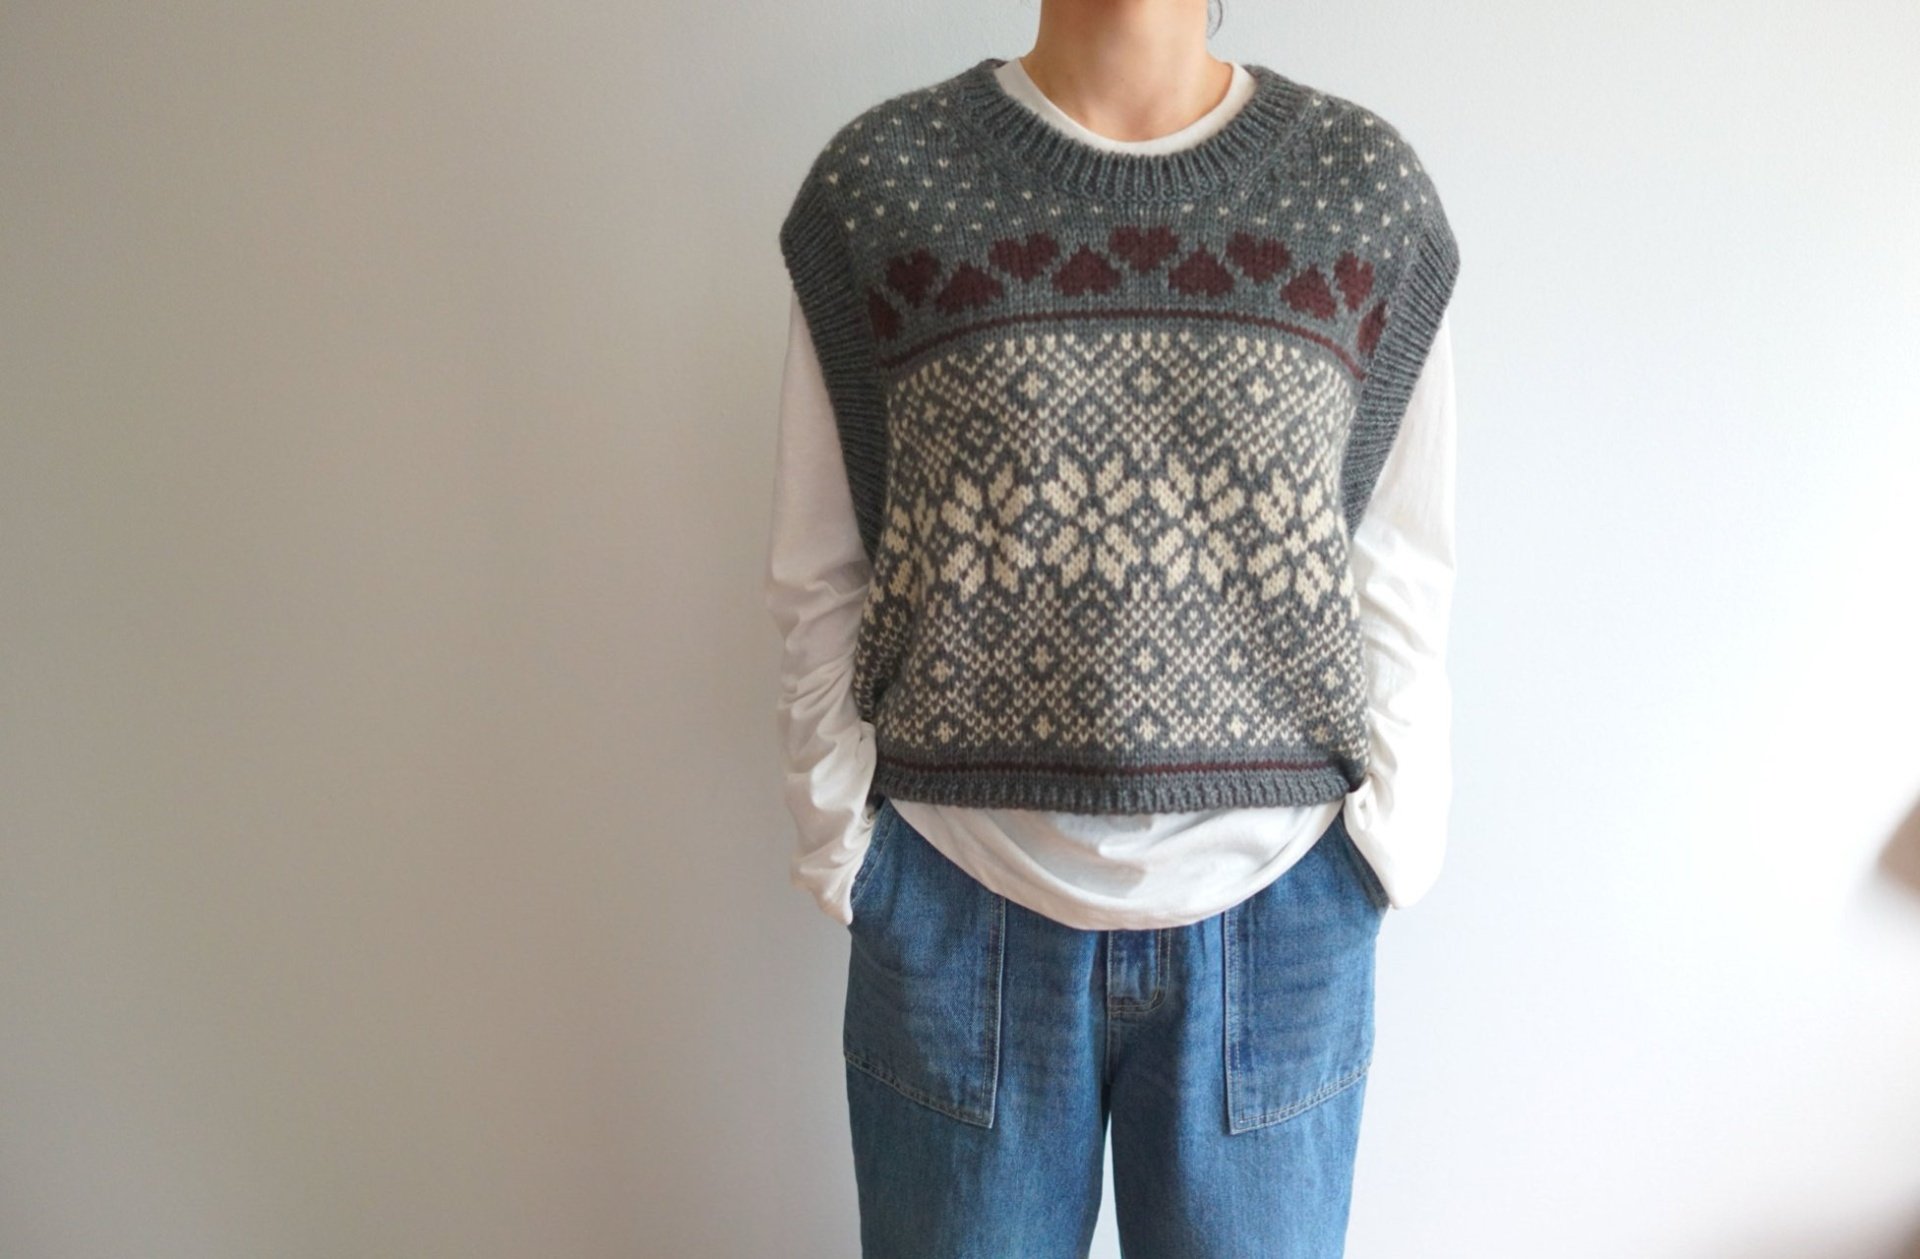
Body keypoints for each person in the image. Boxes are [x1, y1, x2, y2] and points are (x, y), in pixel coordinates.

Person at [763, 3, 1460, 1254]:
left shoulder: (1359, 193)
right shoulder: (885, 190)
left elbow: (1399, 562)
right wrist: (848, 849)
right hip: (958, 907)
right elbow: (823, 567)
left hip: (1278, 913)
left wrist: (1383, 848)